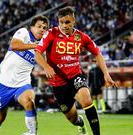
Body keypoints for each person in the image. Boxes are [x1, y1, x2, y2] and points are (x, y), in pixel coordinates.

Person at [35, 6, 117, 135]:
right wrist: (46, 66)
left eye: (67, 22)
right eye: (61, 22)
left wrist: (106, 74)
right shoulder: (51, 34)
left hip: (75, 76)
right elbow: (37, 53)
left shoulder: (81, 37)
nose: (64, 25)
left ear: (74, 21)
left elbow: (98, 54)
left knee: (86, 99)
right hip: (58, 83)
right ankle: (80, 123)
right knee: (72, 118)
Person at [0, 15, 49, 135]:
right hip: (4, 82)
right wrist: (36, 46)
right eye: (39, 26)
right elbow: (14, 45)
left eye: (45, 28)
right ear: (32, 27)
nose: (42, 29)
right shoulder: (23, 33)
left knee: (29, 101)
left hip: (22, 83)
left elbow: (46, 62)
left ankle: (32, 133)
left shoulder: (43, 47)